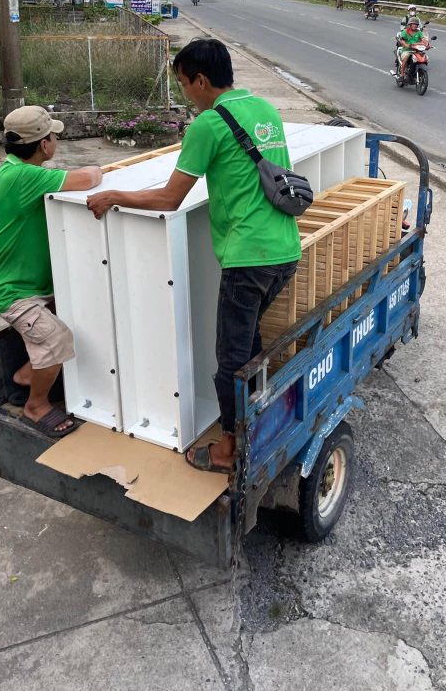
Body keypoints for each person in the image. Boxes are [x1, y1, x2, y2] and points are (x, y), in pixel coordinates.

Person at [87, 38, 301, 473]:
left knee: (230, 361)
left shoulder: (209, 124)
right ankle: (257, 419)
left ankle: (231, 449)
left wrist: (113, 195)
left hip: (248, 259)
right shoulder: (265, 108)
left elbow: (170, 198)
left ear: (201, 80)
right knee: (249, 344)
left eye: (184, 84)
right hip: (284, 250)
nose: (186, 94)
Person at [0, 106, 103, 438]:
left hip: (19, 278)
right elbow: (89, 177)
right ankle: (36, 404)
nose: (55, 141)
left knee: (78, 305)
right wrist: (99, 168)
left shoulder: (14, 171)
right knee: (57, 339)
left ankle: (29, 372)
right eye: (53, 136)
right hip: (5, 288)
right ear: (44, 145)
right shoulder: (23, 177)